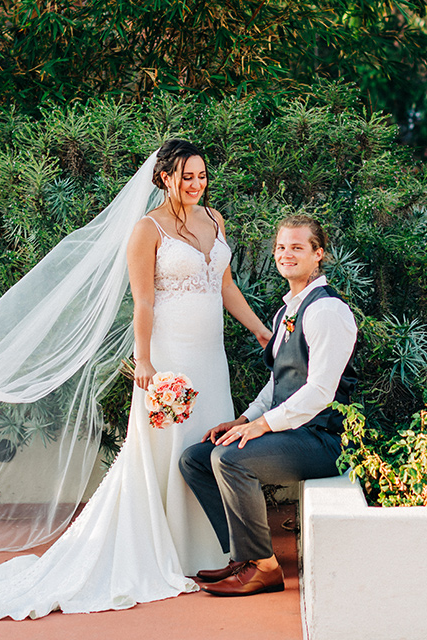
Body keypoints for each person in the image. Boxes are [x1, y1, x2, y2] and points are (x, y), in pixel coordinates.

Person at [0, 139, 272, 618]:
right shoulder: (147, 229)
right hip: (170, 358)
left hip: (210, 358)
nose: (196, 185)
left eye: (201, 175)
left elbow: (224, 285)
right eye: (186, 177)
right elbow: (144, 302)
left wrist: (260, 330)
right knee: (167, 451)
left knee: (207, 445)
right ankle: (170, 552)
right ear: (164, 179)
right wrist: (146, 363)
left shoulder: (215, 220)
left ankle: (216, 553)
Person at [179, 215, 359, 597]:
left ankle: (264, 568)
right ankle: (242, 556)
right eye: (280, 247)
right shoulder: (286, 311)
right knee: (195, 459)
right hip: (290, 432)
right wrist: (243, 419)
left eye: (297, 247)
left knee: (229, 460)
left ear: (318, 254)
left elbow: (321, 391)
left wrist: (263, 426)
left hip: (324, 440)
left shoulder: (327, 311)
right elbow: (278, 381)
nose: (285, 254)